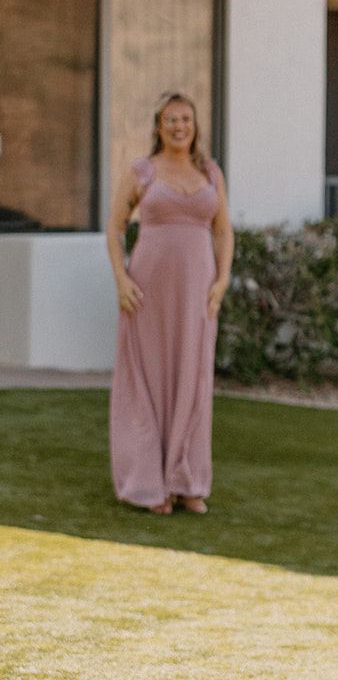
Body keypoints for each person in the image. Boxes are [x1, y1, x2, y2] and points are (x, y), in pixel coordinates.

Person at [106, 91, 233, 515]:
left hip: (198, 292)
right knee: (148, 380)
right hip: (147, 292)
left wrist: (223, 280)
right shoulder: (142, 171)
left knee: (193, 379)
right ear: (158, 126)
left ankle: (188, 482)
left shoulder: (211, 172)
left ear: (195, 126)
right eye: (170, 120)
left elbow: (222, 231)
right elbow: (114, 226)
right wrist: (121, 278)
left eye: (186, 119)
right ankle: (149, 485)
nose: (179, 126)